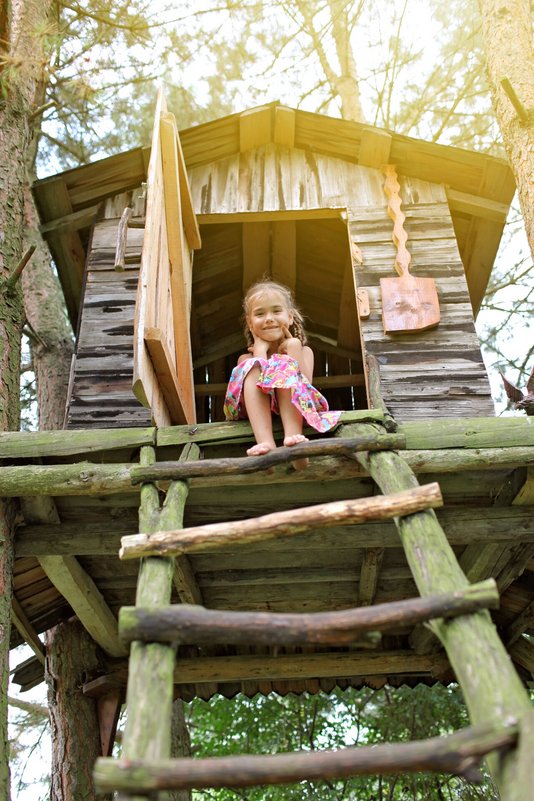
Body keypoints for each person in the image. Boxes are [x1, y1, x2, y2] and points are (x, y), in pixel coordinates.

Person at [224, 279, 341, 468]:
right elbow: (260, 383)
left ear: (290, 317)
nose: (269, 318)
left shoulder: (304, 351)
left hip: (296, 403)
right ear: (250, 323)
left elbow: (305, 385)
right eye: (260, 313)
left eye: (276, 311)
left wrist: (293, 348)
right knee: (252, 365)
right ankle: (266, 443)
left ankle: (295, 443)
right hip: (258, 408)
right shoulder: (246, 359)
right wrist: (260, 352)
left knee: (284, 365)